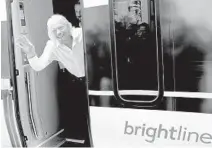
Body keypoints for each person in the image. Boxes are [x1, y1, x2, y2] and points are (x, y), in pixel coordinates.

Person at [16, 14, 90, 146]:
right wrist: (30, 52)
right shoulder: (52, 46)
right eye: (54, 30)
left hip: (95, 79)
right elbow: (38, 66)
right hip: (78, 83)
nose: (58, 32)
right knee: (84, 115)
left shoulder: (82, 35)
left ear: (68, 25)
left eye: (60, 28)